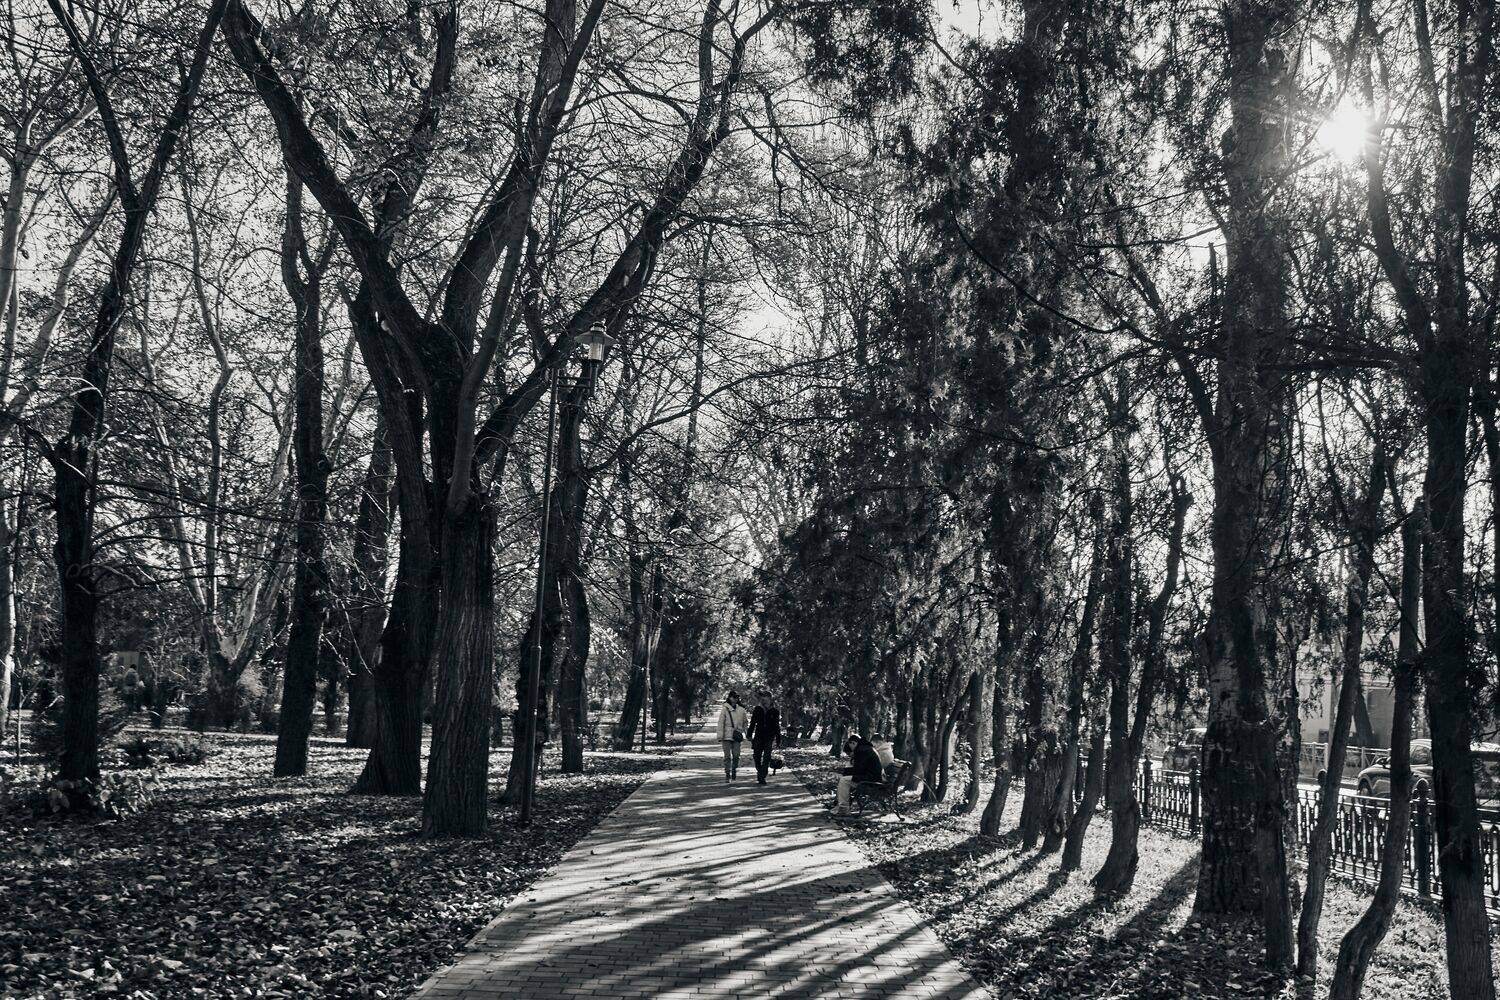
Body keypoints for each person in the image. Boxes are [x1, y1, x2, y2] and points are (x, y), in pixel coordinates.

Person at [834, 732, 884, 815]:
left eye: (851, 746)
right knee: (845, 779)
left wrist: (846, 773)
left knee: (844, 780)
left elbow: (858, 771)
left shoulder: (861, 750)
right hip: (872, 777)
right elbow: (860, 769)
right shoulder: (865, 748)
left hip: (871, 780)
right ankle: (840, 805)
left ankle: (843, 809)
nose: (852, 750)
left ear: (853, 743)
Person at [746, 690, 782, 785]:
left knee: (767, 757)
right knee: (756, 757)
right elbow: (753, 723)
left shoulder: (774, 711)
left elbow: (776, 726)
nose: (763, 699)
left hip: (769, 737)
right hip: (758, 736)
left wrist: (778, 739)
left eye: (765, 697)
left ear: (770, 699)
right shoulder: (757, 709)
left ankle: (762, 776)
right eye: (762, 698)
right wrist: (749, 734)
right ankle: (760, 771)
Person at [716, 691, 750, 781]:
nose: (735, 699)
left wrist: (747, 734)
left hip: (737, 735)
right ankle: (727, 773)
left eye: (737, 697)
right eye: (733, 697)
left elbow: (745, 723)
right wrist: (720, 736)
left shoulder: (742, 710)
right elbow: (721, 723)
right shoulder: (725, 709)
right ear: (729, 698)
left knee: (736, 755)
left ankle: (734, 769)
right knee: (727, 756)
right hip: (726, 736)